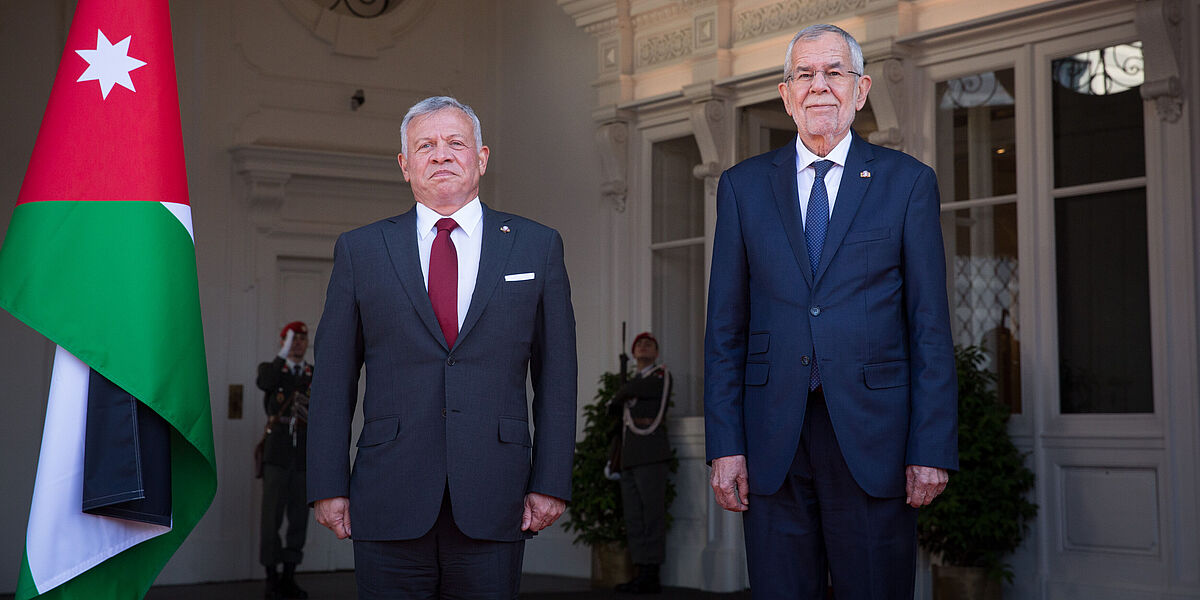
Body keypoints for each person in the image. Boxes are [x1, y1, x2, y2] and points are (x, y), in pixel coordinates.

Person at [703, 24, 958, 599]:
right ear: (786, 93)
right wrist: (725, 443)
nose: (820, 86)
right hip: (772, 439)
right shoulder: (743, 188)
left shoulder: (908, 183)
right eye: (805, 75)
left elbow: (930, 326)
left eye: (834, 72)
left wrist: (931, 446)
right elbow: (725, 328)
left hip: (875, 437)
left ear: (861, 90)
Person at [306, 96, 578, 599]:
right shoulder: (360, 250)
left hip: (496, 492)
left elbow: (558, 376)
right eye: (425, 145)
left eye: (456, 142)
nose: (442, 154)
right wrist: (328, 484)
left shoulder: (536, 245)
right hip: (388, 493)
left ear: (482, 157)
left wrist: (552, 480)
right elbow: (332, 379)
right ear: (405, 166)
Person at [610, 332, 672, 594]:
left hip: (650, 452)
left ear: (656, 353)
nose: (643, 346)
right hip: (631, 454)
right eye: (639, 344)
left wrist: (621, 392)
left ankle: (651, 572)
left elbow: (637, 391)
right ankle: (639, 570)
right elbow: (615, 413)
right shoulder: (633, 382)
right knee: (634, 517)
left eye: (649, 344)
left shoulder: (660, 376)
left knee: (652, 516)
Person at [256, 321, 313, 599]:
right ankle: (271, 577)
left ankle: (289, 576)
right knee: (271, 518)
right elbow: (264, 384)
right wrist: (284, 354)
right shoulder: (272, 370)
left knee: (299, 517)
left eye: (302, 338)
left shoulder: (313, 373)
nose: (299, 343)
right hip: (277, 454)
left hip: (302, 454)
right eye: (293, 339)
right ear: (283, 342)